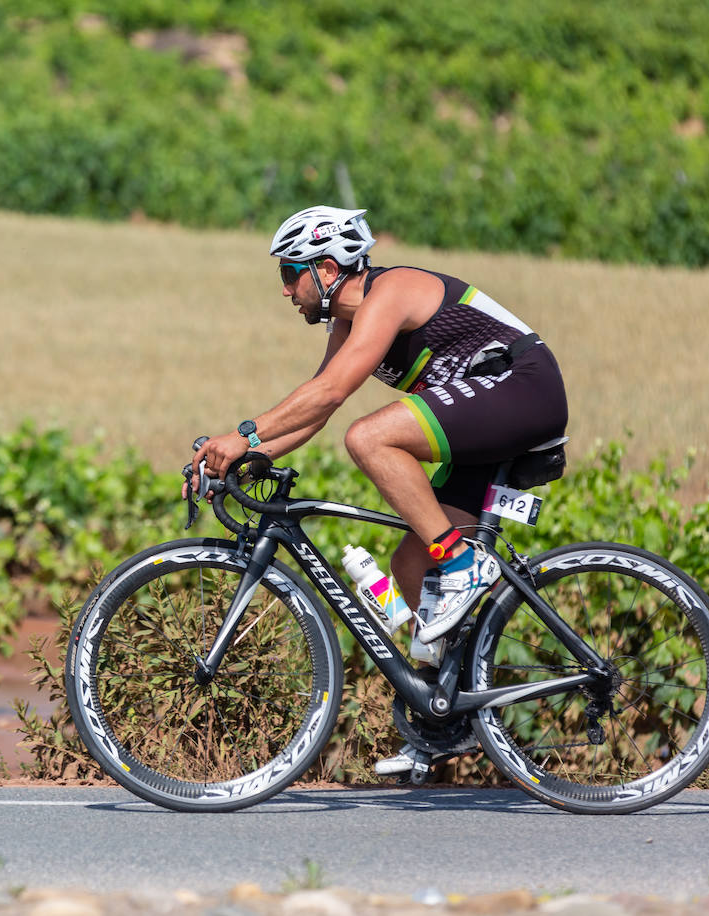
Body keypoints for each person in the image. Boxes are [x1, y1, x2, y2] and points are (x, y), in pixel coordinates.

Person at [190, 204, 568, 776]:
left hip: (521, 387)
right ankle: (447, 717)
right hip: (481, 413)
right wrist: (251, 459)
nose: (285, 290)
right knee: (410, 564)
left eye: (290, 273)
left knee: (370, 438)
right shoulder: (346, 322)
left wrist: (244, 434)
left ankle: (464, 561)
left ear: (325, 266)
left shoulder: (389, 292)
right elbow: (317, 405)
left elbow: (334, 392)